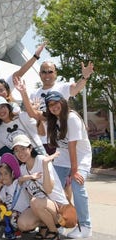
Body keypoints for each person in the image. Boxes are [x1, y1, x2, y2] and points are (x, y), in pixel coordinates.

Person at [45, 92, 92, 239]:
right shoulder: (55, 120)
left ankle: (85, 226)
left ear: (63, 102)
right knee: (52, 189)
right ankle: (60, 222)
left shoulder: (71, 118)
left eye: (55, 103)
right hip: (62, 159)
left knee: (77, 186)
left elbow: (72, 146)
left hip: (80, 159)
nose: (53, 107)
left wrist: (74, 171)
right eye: (50, 105)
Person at [12, 134, 69, 240]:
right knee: (23, 224)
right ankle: (44, 226)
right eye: (16, 150)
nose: (20, 153)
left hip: (58, 207)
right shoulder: (23, 169)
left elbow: (48, 189)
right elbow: (30, 193)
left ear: (30, 148)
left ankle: (54, 231)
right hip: (40, 205)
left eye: (23, 148)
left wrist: (44, 165)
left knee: (35, 202)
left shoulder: (41, 160)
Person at [0, 153, 30, 240]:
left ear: (12, 174)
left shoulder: (16, 183)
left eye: (5, 174)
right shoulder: (4, 188)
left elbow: (22, 179)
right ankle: (10, 228)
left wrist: (32, 176)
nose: (3, 176)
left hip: (23, 215)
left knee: (13, 215)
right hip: (11, 214)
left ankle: (17, 230)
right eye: (1, 174)